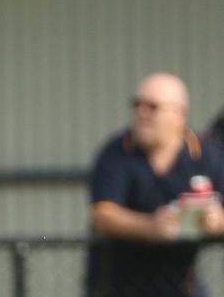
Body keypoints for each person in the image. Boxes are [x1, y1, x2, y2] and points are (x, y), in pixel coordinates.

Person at [86, 72, 224, 297]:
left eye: (152, 106)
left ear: (180, 113)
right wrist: (152, 227)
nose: (142, 113)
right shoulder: (116, 152)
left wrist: (217, 222)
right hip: (117, 288)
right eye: (137, 104)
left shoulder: (205, 155)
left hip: (181, 286)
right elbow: (103, 215)